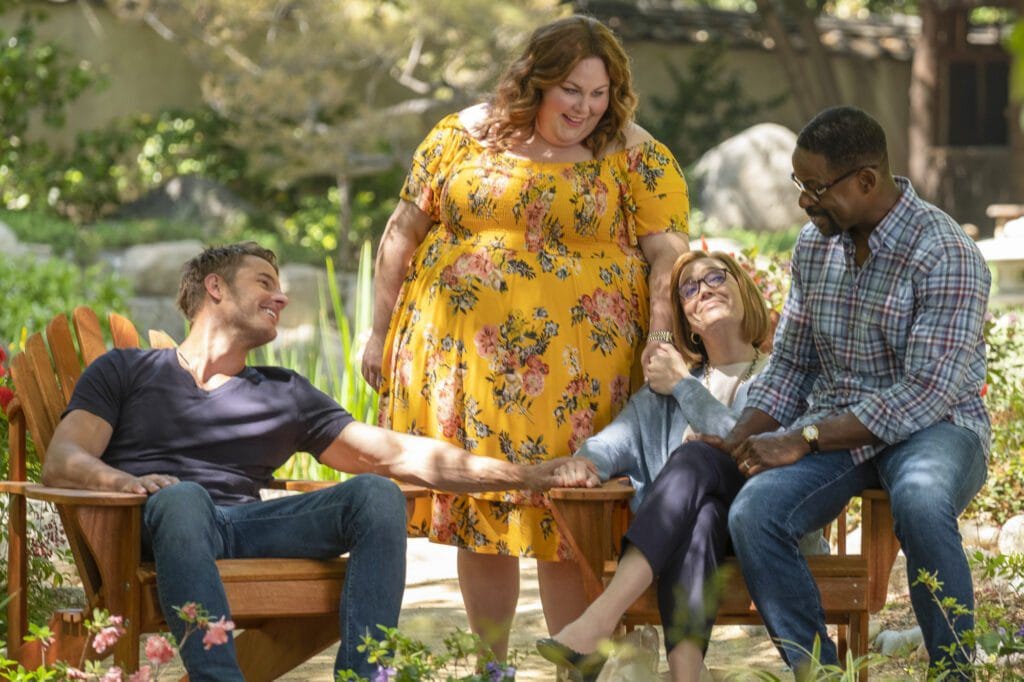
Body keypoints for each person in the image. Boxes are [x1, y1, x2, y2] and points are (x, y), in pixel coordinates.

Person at [41, 242, 599, 682]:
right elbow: (63, 459)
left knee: (376, 494)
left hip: (246, 526)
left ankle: (365, 675)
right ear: (215, 288)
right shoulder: (127, 370)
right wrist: (124, 481)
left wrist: (527, 475)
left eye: (281, 287)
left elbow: (398, 453)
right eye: (265, 283)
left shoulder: (284, 393)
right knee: (183, 498)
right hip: (155, 524)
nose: (281, 298)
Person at [361, 15, 690, 658]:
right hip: (468, 368)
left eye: (599, 94)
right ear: (535, 81)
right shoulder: (459, 136)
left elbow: (668, 254)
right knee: (483, 509)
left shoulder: (635, 153)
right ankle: (492, 667)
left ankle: (574, 663)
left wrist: (659, 336)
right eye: (571, 90)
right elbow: (401, 233)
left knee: (569, 514)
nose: (584, 108)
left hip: (582, 373)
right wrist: (377, 334)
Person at [709, 106, 990, 679]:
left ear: (866, 180)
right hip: (838, 430)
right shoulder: (815, 247)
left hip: (938, 427)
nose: (803, 201)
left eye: (816, 187)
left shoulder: (946, 253)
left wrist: (804, 438)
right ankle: (820, 673)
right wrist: (738, 437)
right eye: (800, 183)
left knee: (921, 499)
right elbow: (792, 363)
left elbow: (924, 393)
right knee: (755, 512)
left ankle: (954, 672)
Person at [535, 251, 826, 681]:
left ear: (744, 291)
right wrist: (585, 464)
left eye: (715, 277)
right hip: (689, 539)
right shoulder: (665, 389)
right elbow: (611, 442)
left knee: (694, 457)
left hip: (769, 533)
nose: (703, 289)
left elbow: (760, 452)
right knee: (703, 513)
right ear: (687, 323)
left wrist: (685, 386)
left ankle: (598, 621)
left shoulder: (783, 377)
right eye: (690, 288)